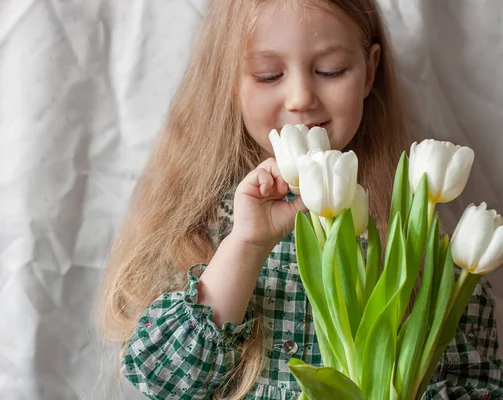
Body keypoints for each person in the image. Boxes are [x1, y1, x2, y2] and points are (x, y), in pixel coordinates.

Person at [98, 0, 503, 398]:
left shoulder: (414, 245)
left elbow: (477, 380)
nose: (301, 98)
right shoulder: (201, 232)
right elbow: (162, 379)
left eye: (330, 70)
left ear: (369, 72)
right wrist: (246, 244)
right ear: (228, 80)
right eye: (268, 74)